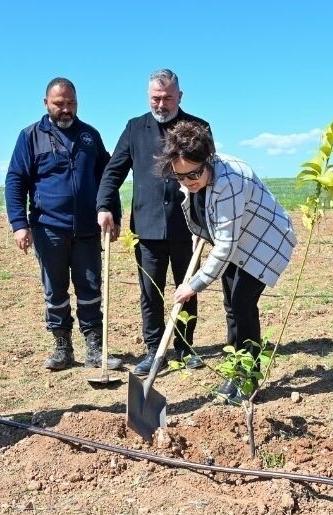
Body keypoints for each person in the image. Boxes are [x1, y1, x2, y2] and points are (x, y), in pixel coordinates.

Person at [159, 121, 298, 403]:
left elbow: (225, 245)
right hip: (238, 237)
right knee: (231, 305)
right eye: (180, 177)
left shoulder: (228, 181)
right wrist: (202, 230)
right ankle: (235, 371)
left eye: (194, 174)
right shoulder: (191, 174)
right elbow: (203, 210)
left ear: (207, 158)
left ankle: (248, 378)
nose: (188, 182)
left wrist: (193, 285)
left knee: (243, 304)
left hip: (263, 241)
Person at [96, 69, 210, 375]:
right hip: (147, 227)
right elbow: (114, 171)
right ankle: (152, 350)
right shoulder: (135, 128)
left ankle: (185, 349)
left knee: (187, 288)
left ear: (180, 96)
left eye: (167, 98)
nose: (161, 105)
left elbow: (212, 175)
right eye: (155, 98)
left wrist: (209, 219)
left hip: (189, 227)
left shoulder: (197, 127)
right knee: (149, 290)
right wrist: (105, 205)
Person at [5, 77, 121, 372]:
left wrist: (114, 214)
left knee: (91, 287)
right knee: (55, 290)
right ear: (46, 103)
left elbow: (108, 179)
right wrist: (19, 224)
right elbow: (15, 180)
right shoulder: (30, 136)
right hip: (48, 228)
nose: (66, 109)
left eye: (71, 103)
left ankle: (95, 349)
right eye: (59, 104)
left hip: (87, 229)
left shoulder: (89, 136)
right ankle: (62, 348)